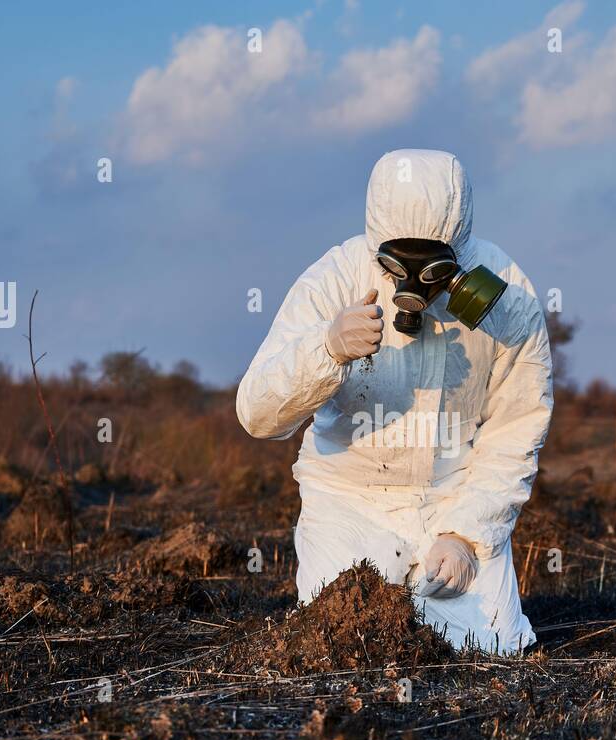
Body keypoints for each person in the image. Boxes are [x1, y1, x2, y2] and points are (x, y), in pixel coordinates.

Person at [236, 149, 552, 654]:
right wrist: (326, 348)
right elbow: (256, 415)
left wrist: (467, 534)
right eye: (396, 262)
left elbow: (515, 430)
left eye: (431, 266)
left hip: (455, 497)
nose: (413, 283)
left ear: (460, 249)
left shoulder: (506, 295)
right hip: (348, 501)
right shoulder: (333, 281)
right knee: (342, 643)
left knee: (489, 651)